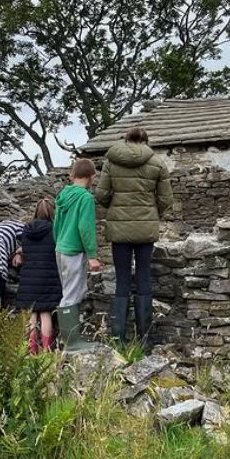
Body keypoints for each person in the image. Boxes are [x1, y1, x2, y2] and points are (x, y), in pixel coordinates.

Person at [95, 127, 173, 350]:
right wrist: (152, 211)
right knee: (143, 278)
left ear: (126, 140)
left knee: (121, 280)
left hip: (119, 230)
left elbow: (101, 194)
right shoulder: (157, 163)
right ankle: (145, 340)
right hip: (146, 229)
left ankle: (118, 339)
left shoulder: (111, 162)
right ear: (147, 141)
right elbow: (166, 199)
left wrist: (116, 206)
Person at [53, 159, 102, 350]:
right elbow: (86, 228)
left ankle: (70, 340)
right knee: (72, 294)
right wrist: (92, 255)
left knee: (68, 291)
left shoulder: (63, 195)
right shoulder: (85, 198)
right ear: (92, 176)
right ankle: (72, 343)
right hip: (74, 250)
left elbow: (56, 225)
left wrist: (59, 242)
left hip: (61, 248)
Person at [16, 199, 61, 354]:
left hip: (28, 276)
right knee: (45, 313)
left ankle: (32, 349)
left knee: (32, 314)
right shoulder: (54, 230)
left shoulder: (26, 231)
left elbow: (25, 250)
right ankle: (47, 350)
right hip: (47, 275)